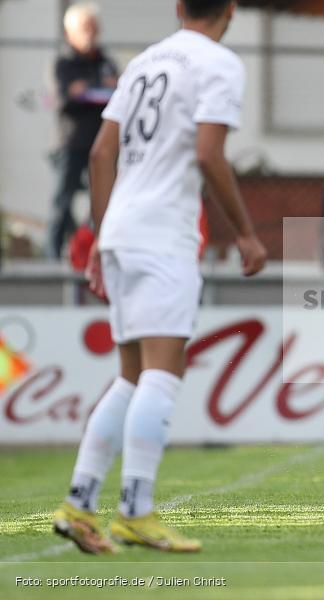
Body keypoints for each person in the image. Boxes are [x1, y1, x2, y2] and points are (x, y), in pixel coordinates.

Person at [52, 0, 267, 555]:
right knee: (163, 372)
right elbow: (209, 155)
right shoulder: (218, 62)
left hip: (121, 229)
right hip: (163, 232)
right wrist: (246, 233)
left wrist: (102, 232)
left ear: (177, 7)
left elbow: (101, 153)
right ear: (231, 10)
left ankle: (79, 502)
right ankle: (135, 511)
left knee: (130, 376)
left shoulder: (144, 61)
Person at [47, 2, 118, 259]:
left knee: (103, 202)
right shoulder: (63, 63)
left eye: (93, 28)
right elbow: (62, 99)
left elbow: (118, 94)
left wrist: (86, 89)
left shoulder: (105, 62)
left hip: (101, 144)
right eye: (85, 28)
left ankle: (98, 254)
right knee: (61, 203)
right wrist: (92, 88)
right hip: (71, 144)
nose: (91, 34)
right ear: (71, 32)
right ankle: (52, 262)